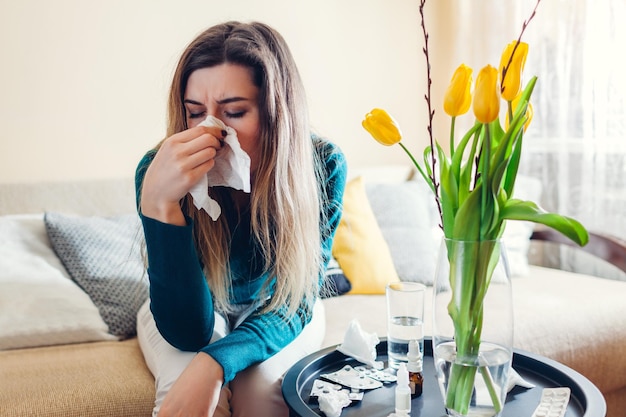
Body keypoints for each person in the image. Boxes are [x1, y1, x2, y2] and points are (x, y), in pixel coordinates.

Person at [134, 21, 347, 417]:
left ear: (275, 114)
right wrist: (161, 205)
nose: (212, 131)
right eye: (196, 113)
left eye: (233, 112)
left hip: (276, 304)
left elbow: (295, 300)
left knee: (263, 393)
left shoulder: (321, 164)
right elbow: (188, 331)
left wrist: (216, 362)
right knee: (187, 390)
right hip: (188, 310)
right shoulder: (157, 171)